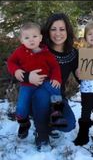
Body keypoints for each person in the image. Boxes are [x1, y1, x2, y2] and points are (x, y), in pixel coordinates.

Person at [20, 13, 78, 150]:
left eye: (62, 29)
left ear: (67, 31)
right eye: (53, 29)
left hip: (57, 99)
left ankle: (50, 125)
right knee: (42, 94)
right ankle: (41, 135)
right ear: (47, 31)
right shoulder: (38, 48)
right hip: (35, 96)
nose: (58, 33)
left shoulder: (73, 53)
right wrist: (28, 77)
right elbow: (17, 66)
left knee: (69, 124)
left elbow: (84, 78)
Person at [7, 22, 67, 140]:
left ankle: (56, 114)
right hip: (27, 85)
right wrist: (16, 70)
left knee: (55, 88)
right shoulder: (20, 52)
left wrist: (56, 78)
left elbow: (55, 67)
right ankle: (24, 123)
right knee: (21, 108)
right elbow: (11, 62)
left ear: (40, 38)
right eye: (27, 37)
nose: (31, 40)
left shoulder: (46, 53)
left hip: (45, 82)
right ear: (22, 40)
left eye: (34, 36)